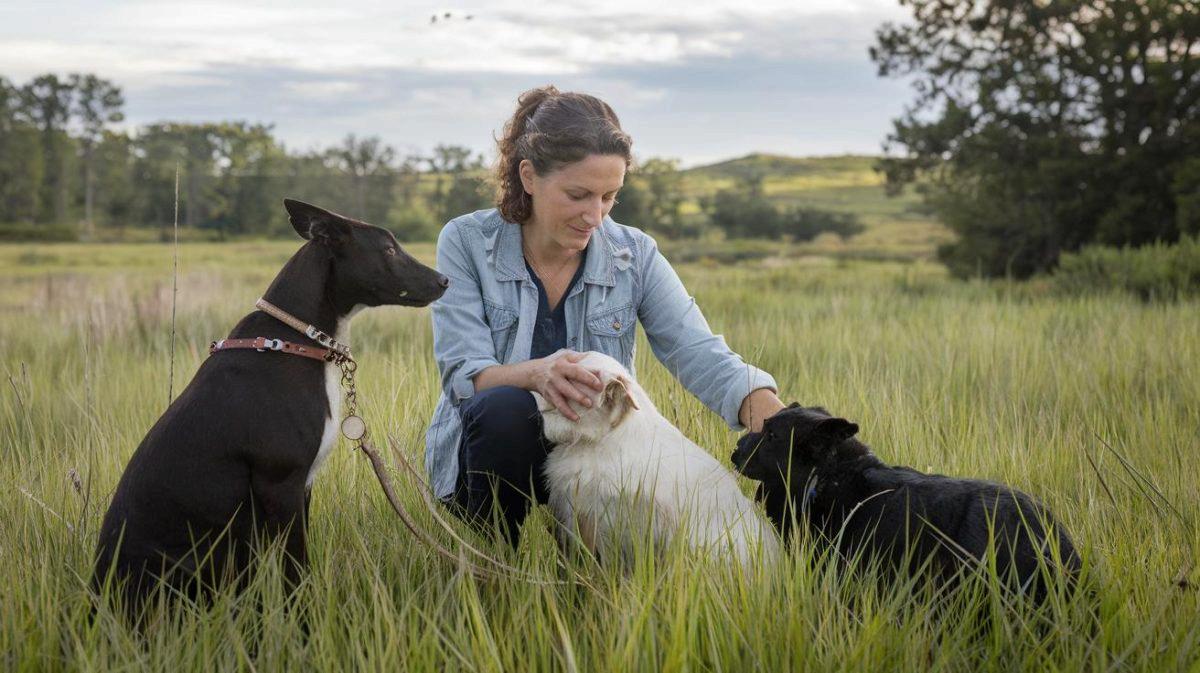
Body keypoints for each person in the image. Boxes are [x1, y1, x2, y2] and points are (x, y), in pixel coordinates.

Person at [425, 85, 785, 546]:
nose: (594, 216)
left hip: (599, 462)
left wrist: (788, 430)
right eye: (578, 195)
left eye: (609, 197)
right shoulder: (467, 242)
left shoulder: (634, 253)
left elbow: (701, 354)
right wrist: (538, 373)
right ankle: (494, 563)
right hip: (492, 456)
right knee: (503, 410)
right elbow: (465, 376)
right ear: (530, 177)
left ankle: (593, 582)